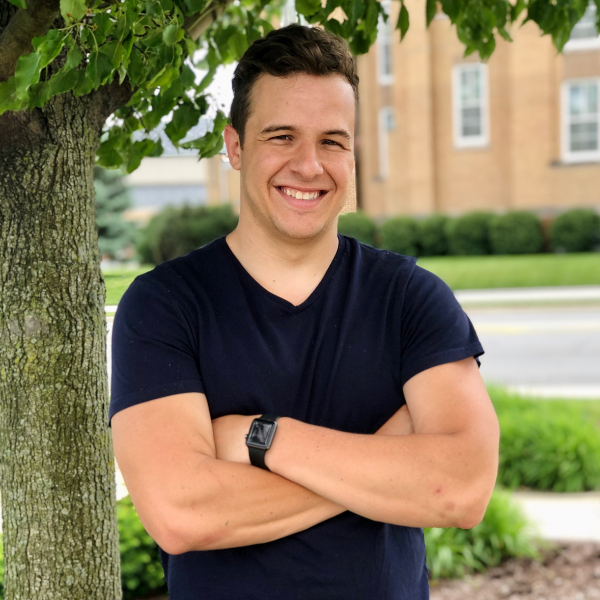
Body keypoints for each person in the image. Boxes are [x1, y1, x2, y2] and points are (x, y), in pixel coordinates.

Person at [109, 24, 500, 600]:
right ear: (235, 147)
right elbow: (181, 512)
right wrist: (386, 466)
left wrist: (263, 440)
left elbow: (461, 488)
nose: (310, 165)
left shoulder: (409, 298)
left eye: (333, 141)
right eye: (282, 136)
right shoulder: (165, 305)